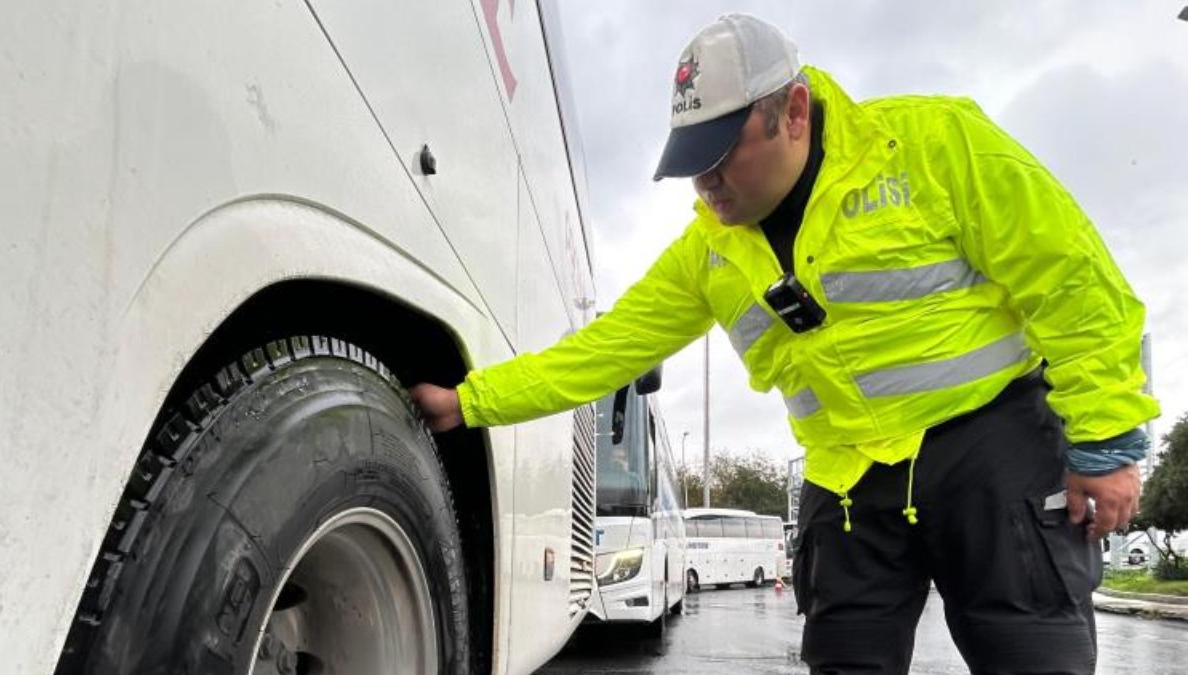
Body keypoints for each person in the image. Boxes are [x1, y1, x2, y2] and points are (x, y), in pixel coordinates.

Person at [411, 13, 1158, 674]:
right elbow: (600, 352)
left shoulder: (934, 147)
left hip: (993, 450)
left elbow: (1073, 281)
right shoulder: (707, 255)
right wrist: (470, 401)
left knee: (1033, 656)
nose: (705, 183)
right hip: (847, 479)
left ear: (793, 112)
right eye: (690, 162)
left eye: (721, 153)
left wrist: (1104, 443)